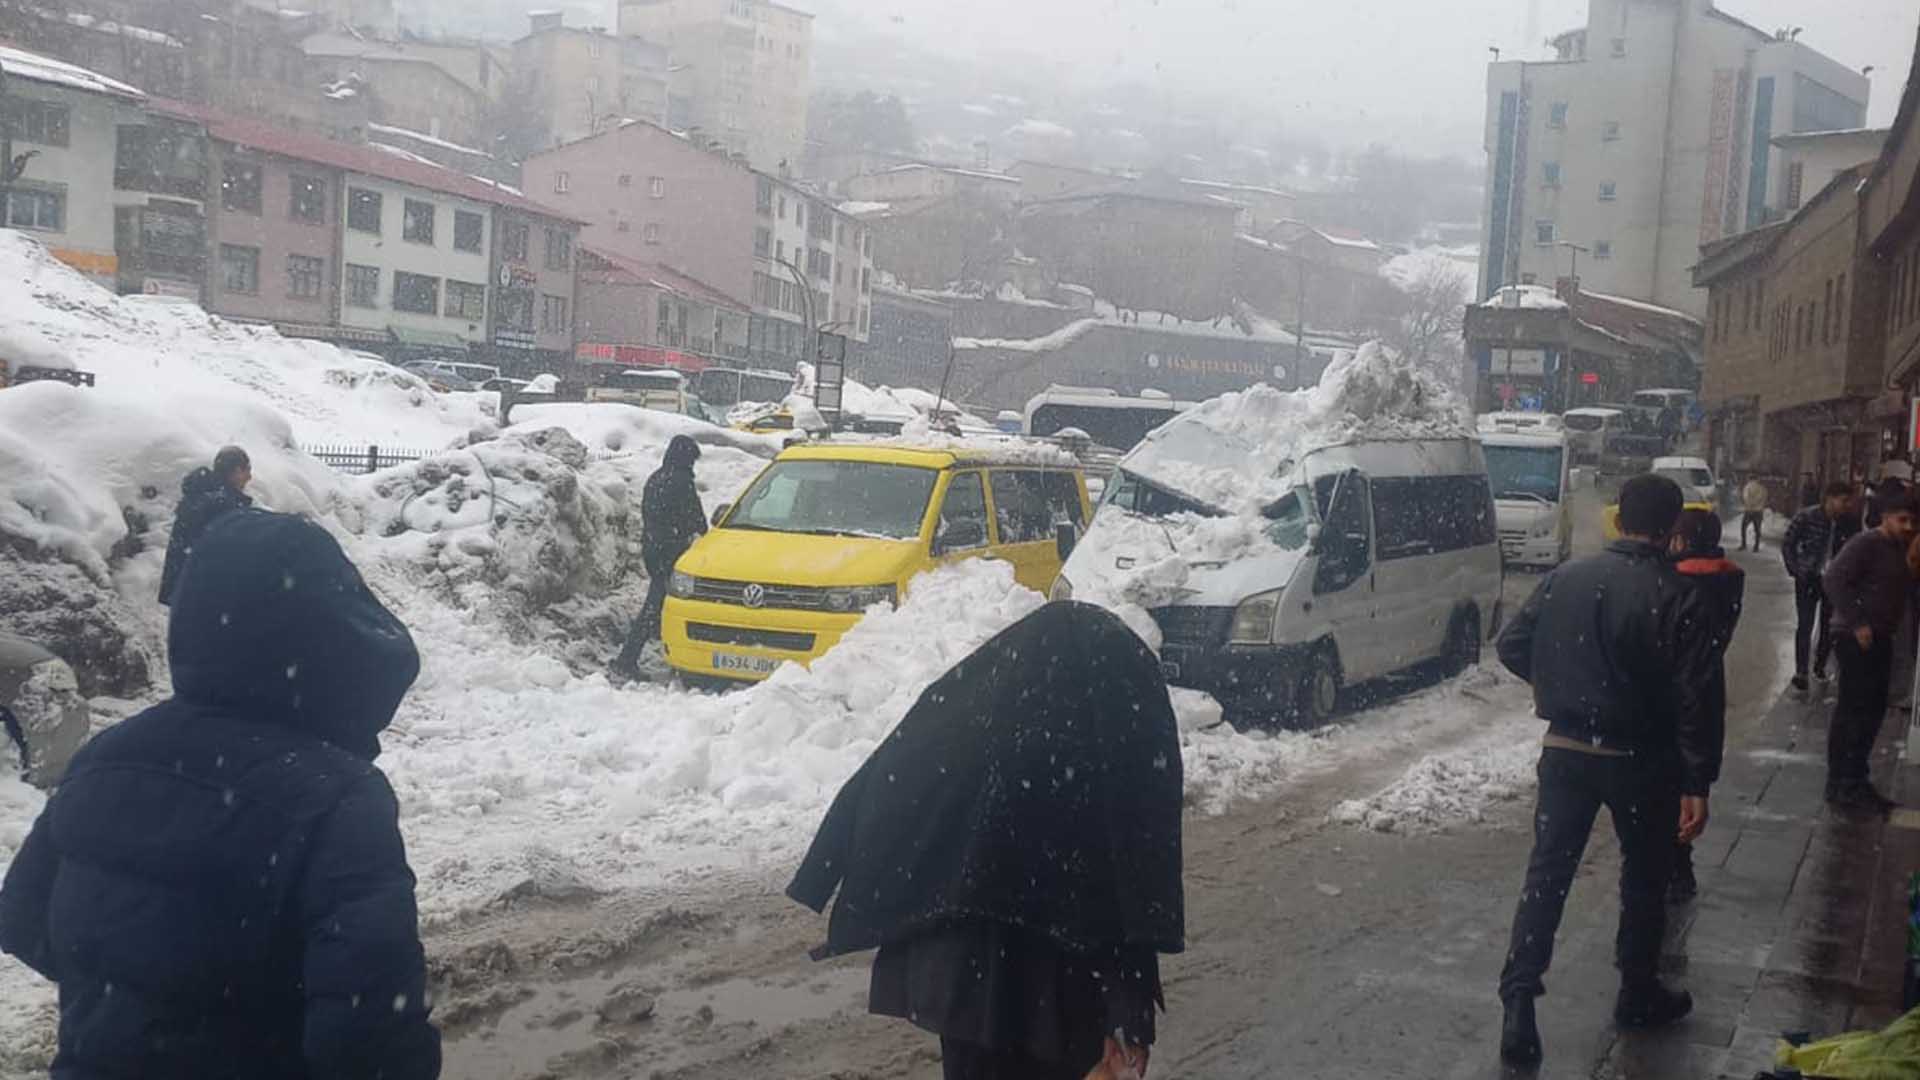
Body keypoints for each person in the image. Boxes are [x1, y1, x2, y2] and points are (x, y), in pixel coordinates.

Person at [0, 510, 440, 1077]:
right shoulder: (338, 798)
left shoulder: (107, 756)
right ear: (330, 634)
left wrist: (143, 990)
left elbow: (24, 921)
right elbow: (371, 1039)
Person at [789, 602, 1184, 1080]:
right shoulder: (1106, 742)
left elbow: (885, 777)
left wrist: (824, 868)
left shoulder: (969, 722)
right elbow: (1134, 873)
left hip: (961, 979)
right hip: (1058, 994)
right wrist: (1129, 1011)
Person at [1494, 474, 1717, 1067]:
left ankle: (1519, 1001)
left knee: (1547, 875)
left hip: (1566, 752)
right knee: (1643, 877)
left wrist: (1564, 686)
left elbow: (1513, 644)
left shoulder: (1565, 578)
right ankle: (1636, 989)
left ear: (1619, 521)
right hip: (1641, 759)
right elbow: (1698, 697)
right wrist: (1697, 781)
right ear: (1672, 528)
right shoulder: (1677, 594)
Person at [1820, 489, 1918, 812]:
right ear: (1886, 517)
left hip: (1881, 637)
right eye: (1901, 520)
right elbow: (1834, 577)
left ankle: (1856, 779)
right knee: (1854, 710)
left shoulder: (1901, 548)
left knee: (1872, 710)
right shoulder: (1867, 543)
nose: (1907, 526)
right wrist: (1858, 622)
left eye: (1912, 522)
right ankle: (1841, 784)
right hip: (1855, 638)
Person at [1666, 510, 1745, 903]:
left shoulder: (1677, 583)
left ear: (1681, 541)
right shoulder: (1728, 579)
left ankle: (1672, 870)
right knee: (1684, 788)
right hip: (1707, 698)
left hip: (1671, 701)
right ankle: (1679, 865)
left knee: (1663, 788)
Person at [613, 435, 709, 677]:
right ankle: (627, 658)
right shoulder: (682, 481)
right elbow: (696, 520)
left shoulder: (656, 477)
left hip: (652, 547)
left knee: (658, 599)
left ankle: (658, 636)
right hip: (672, 549)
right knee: (656, 603)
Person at [1783, 482, 1862, 692]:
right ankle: (1801, 671)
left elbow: (1856, 553)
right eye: (1843, 501)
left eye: (1849, 501)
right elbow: (1788, 543)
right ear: (1830, 498)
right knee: (1805, 624)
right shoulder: (1807, 517)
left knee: (1829, 626)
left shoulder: (1850, 523)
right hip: (1809, 578)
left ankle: (1819, 666)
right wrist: (1796, 569)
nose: (1847, 505)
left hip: (1835, 582)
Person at [157, 444, 253, 605]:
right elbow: (231, 555)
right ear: (236, 471)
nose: (250, 477)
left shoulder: (197, 495)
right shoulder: (224, 505)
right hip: (208, 596)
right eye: (247, 470)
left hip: (183, 590)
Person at [1739, 475, 1770, 552]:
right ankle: (1756, 546)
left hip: (1749, 510)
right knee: (1757, 529)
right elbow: (1764, 497)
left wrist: (1750, 504)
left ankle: (1743, 544)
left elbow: (1745, 497)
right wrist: (1757, 504)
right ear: (1757, 479)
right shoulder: (1762, 488)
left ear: (1750, 479)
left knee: (1743, 527)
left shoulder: (1747, 487)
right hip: (1758, 511)